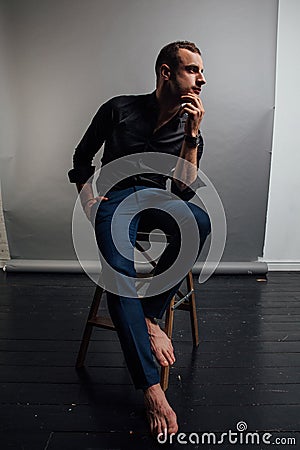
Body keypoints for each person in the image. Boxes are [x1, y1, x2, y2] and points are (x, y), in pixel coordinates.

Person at [68, 41, 211, 438]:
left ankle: (148, 316)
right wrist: (88, 203)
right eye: (192, 70)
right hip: (116, 201)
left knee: (198, 220)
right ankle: (150, 387)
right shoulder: (119, 109)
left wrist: (193, 134)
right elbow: (81, 157)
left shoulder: (189, 121)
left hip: (160, 200)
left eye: (202, 73)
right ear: (166, 72)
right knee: (119, 272)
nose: (201, 79)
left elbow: (183, 190)